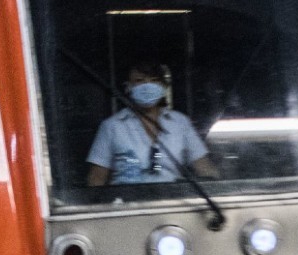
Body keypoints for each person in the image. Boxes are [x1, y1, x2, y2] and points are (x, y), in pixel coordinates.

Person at [86, 61, 217, 186]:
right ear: (128, 87)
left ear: (163, 86)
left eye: (154, 80)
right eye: (139, 81)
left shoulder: (180, 123)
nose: (147, 86)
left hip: (173, 201)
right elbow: (96, 179)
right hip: (126, 204)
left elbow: (205, 168)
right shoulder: (111, 127)